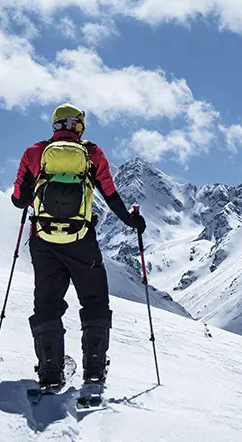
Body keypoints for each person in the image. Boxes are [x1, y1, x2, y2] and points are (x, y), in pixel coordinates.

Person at [11, 103, 146, 389]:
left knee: (47, 303)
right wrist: (131, 221)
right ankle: (94, 368)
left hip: (44, 240)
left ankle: (50, 370)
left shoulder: (34, 153)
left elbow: (18, 200)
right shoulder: (92, 154)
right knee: (95, 300)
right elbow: (110, 195)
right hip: (82, 239)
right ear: (79, 127)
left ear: (55, 126)